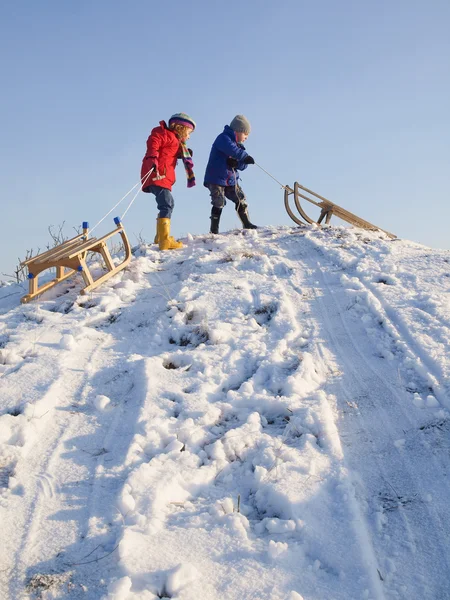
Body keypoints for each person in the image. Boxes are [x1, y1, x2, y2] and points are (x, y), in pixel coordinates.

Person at [141, 113, 196, 250]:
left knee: (167, 203)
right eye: (188, 133)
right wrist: (153, 157)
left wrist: (182, 153)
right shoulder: (163, 133)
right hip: (157, 174)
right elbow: (154, 143)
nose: (189, 137)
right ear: (181, 128)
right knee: (167, 203)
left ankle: (160, 237)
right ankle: (164, 240)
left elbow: (169, 151)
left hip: (163, 176)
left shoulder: (175, 140)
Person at [204, 115, 257, 234]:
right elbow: (232, 150)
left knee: (240, 198)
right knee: (219, 201)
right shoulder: (223, 139)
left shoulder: (239, 147)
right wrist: (244, 156)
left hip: (230, 180)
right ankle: (214, 229)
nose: (246, 138)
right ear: (237, 131)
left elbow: (243, 165)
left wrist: (238, 163)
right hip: (216, 178)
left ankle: (246, 223)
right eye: (245, 134)